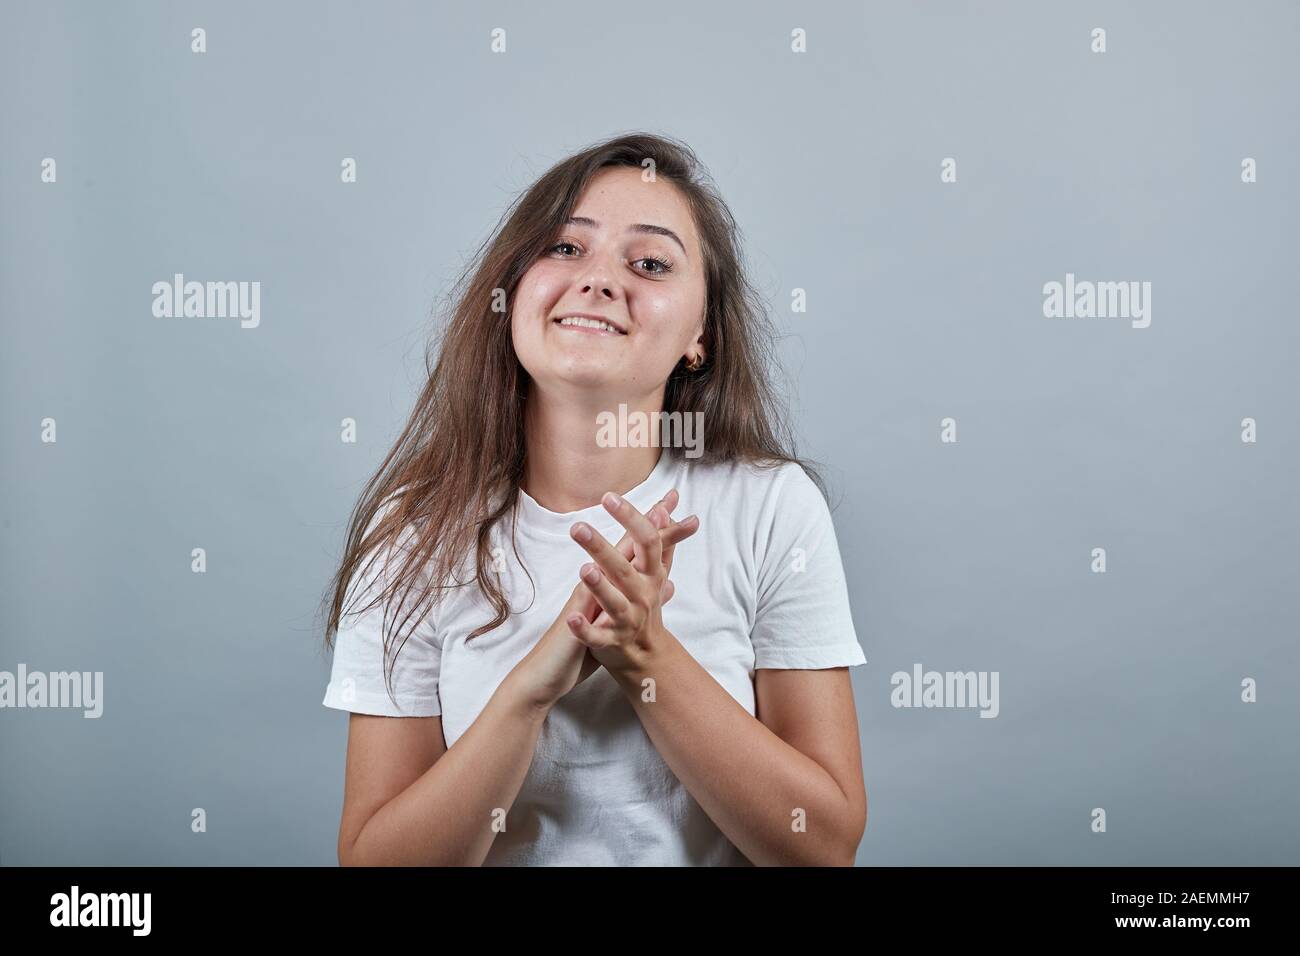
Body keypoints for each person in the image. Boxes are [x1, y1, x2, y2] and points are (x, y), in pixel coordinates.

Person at [320, 132, 867, 866]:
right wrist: (528, 695)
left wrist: (647, 660)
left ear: (699, 337)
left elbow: (822, 848)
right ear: (511, 290)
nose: (600, 281)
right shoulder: (413, 532)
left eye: (649, 263)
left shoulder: (770, 507)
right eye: (566, 249)